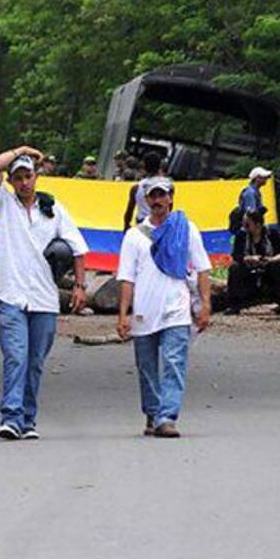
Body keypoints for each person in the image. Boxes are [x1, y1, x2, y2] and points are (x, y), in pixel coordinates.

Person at [0, 147, 89, 440]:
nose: (24, 183)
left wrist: (80, 287)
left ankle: (28, 420)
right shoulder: (3, 204)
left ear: (36, 177)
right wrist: (21, 150)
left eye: (28, 176)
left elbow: (78, 249)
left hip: (43, 297)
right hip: (11, 293)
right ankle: (12, 417)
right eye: (17, 177)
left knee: (35, 361)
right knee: (15, 355)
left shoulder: (53, 210)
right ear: (12, 181)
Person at [116, 178, 212, 438]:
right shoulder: (134, 236)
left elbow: (202, 269)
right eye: (153, 196)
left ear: (171, 197)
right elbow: (127, 277)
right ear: (146, 200)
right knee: (146, 367)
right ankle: (153, 411)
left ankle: (167, 416)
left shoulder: (186, 229)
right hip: (144, 311)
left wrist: (205, 305)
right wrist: (123, 314)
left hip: (176, 309)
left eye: (162, 195)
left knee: (173, 362)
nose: (158, 200)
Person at [226, 208, 280, 315]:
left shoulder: (272, 233)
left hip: (269, 265)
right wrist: (248, 258)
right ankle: (234, 305)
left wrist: (270, 260)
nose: (245, 227)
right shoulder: (242, 235)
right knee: (234, 268)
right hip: (248, 266)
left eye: (247, 224)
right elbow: (236, 255)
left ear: (258, 224)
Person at [123, 151, 164, 229]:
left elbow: (129, 212)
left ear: (144, 167)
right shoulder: (168, 186)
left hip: (142, 225)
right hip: (160, 226)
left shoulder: (136, 188)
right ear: (159, 167)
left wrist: (126, 226)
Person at [230, 166, 273, 234]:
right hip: (250, 229)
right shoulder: (250, 193)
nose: (266, 179)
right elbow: (250, 213)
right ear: (257, 178)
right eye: (263, 177)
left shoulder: (255, 192)